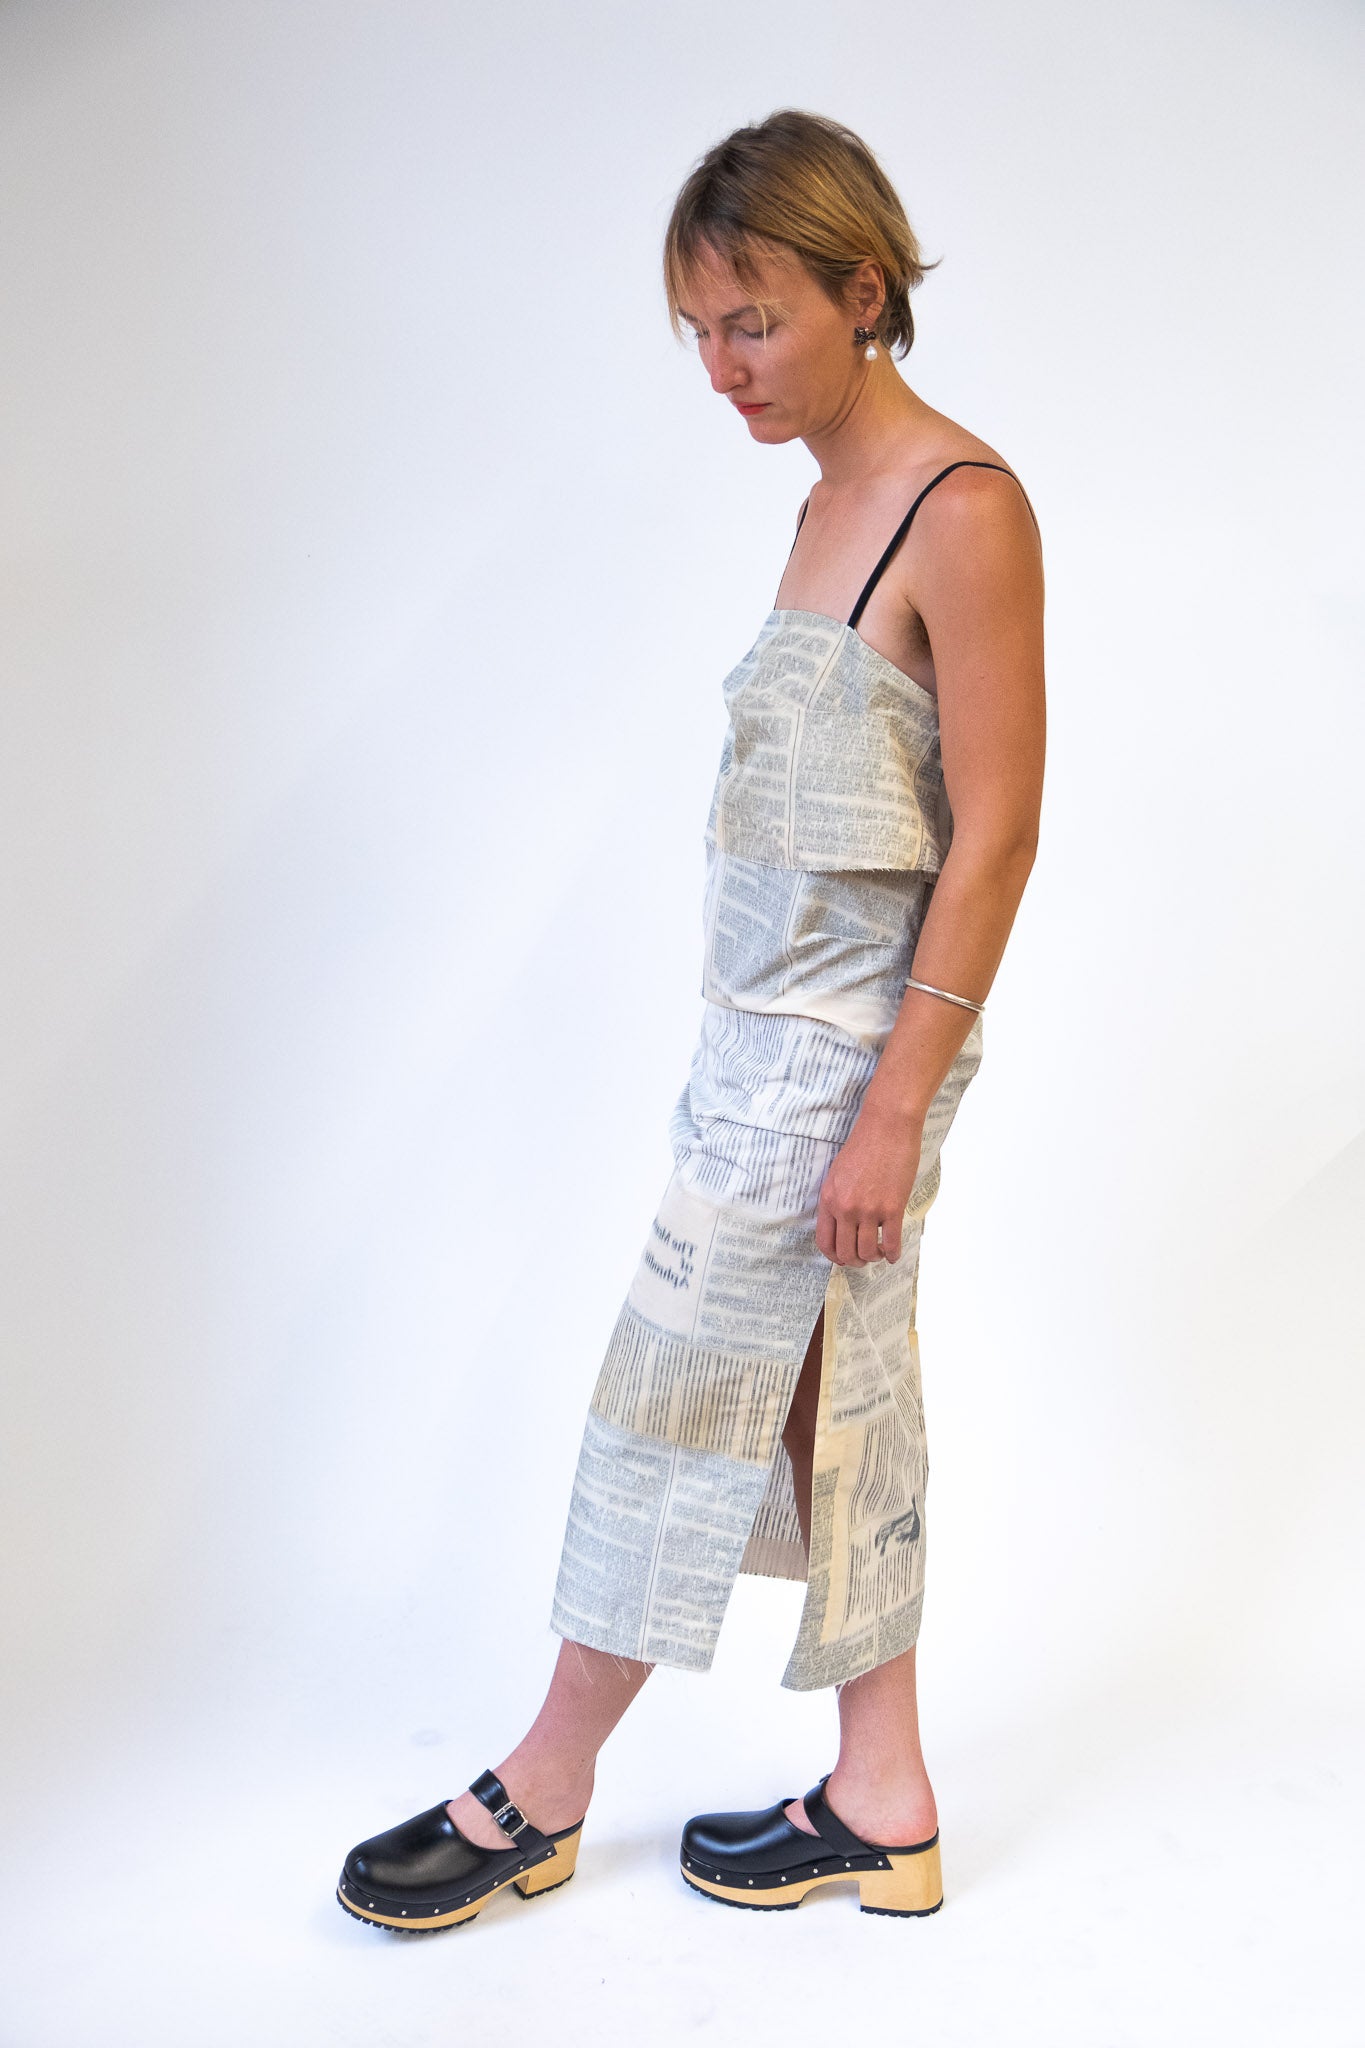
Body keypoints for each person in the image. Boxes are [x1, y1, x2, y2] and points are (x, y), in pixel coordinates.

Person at [336, 106, 1045, 1931]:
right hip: (755, 1049)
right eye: (699, 330)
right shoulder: (823, 503)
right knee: (828, 1402)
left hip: (838, 1064)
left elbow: (995, 834)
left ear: (862, 292)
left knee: (668, 1403)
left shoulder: (960, 511)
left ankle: (541, 1785)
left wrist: (890, 1107)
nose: (723, 367)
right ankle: (881, 1796)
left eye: (754, 321)